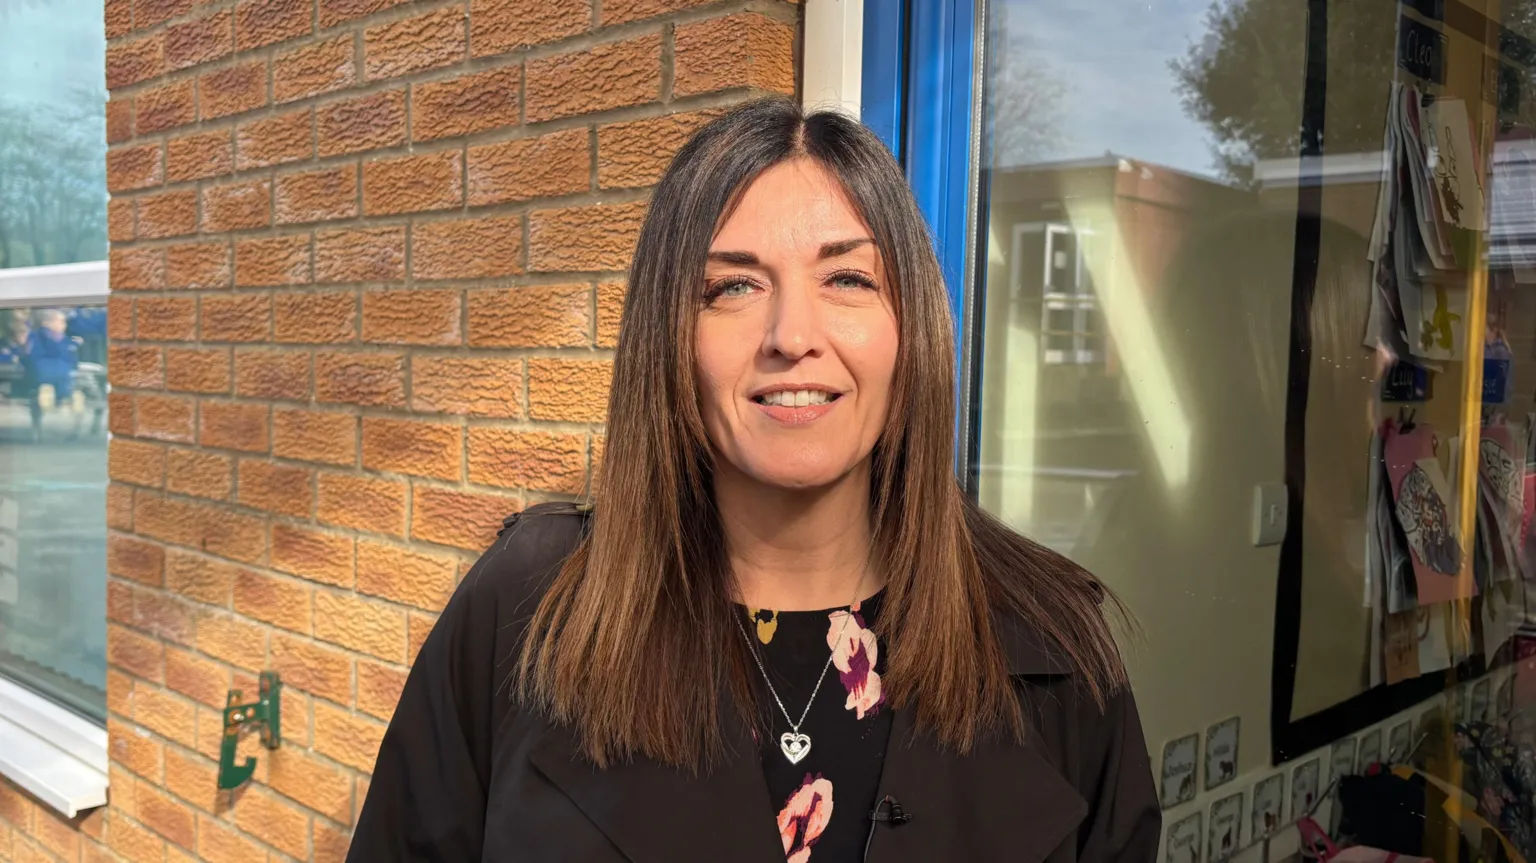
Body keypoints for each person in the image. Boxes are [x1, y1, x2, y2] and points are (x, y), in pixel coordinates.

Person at [349, 98, 1159, 863]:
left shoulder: (1055, 648)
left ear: (910, 326)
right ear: (669, 338)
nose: (792, 335)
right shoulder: (526, 612)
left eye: (847, 278)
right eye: (733, 286)